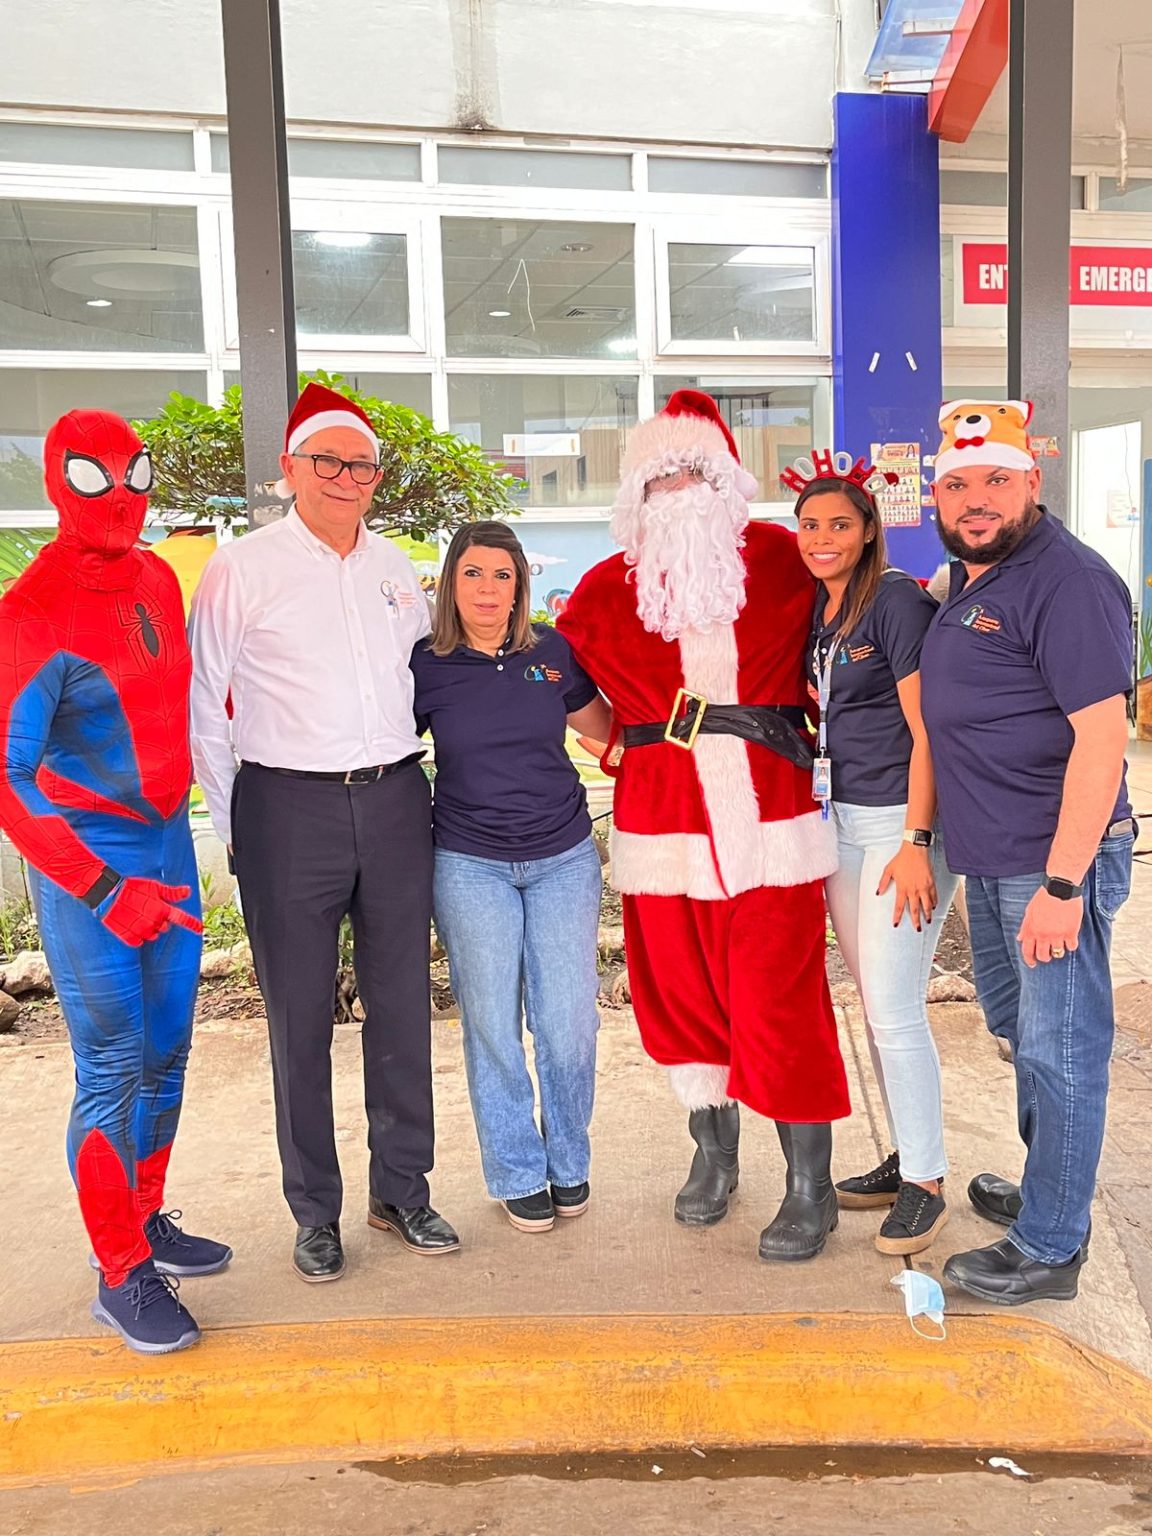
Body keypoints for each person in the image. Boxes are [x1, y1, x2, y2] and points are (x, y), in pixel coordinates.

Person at [557, 391, 850, 1263]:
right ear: (635, 496)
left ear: (726, 481)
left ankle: (812, 1186)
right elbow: (571, 693)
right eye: (659, 477)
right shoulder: (609, 588)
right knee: (681, 996)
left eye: (694, 471)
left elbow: (864, 608)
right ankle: (713, 1154)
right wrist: (637, 749)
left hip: (773, 822)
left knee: (779, 998)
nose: (678, 489)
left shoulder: (785, 559)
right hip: (663, 828)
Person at [189, 382, 458, 1284]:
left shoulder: (394, 570)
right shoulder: (244, 566)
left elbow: (425, 683)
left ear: (377, 478)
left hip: (391, 802)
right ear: (289, 469)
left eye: (362, 464)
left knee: (402, 1011)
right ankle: (315, 1211)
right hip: (284, 810)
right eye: (328, 462)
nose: (347, 477)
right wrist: (240, 830)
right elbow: (207, 707)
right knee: (299, 1023)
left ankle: (402, 1191)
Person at [0, 410, 228, 1355]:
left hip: (170, 851)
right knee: (110, 1069)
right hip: (92, 870)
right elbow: (7, 779)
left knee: (170, 1053)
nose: (125, 493)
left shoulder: (157, 582)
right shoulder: (29, 611)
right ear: (62, 481)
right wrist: (101, 888)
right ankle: (117, 1270)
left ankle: (143, 1219)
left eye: (135, 473)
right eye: (99, 477)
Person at [919, 399, 1135, 1305]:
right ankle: (1056, 1188)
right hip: (995, 856)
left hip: (1050, 864)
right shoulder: (979, 575)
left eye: (996, 483)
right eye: (959, 485)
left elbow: (1103, 738)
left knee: (1064, 1049)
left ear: (1032, 485)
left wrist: (1062, 882)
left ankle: (1051, 1246)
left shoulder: (1068, 580)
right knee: (1021, 1035)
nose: (976, 500)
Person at [411, 522, 612, 1232]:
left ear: (520, 586)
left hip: (561, 856)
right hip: (469, 862)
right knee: (493, 1024)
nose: (488, 590)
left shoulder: (551, 653)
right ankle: (516, 1169)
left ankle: (568, 1159)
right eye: (473, 574)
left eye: (502, 575)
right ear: (450, 583)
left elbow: (608, 732)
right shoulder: (425, 665)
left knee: (566, 1022)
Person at [791, 453, 958, 1256]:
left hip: (902, 826)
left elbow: (929, 730)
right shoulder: (826, 612)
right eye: (810, 525)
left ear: (868, 534)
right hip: (844, 825)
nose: (821, 538)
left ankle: (926, 1182)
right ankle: (905, 1155)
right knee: (874, 1003)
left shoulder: (894, 603)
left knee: (895, 1009)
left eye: (839, 525)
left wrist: (918, 843)